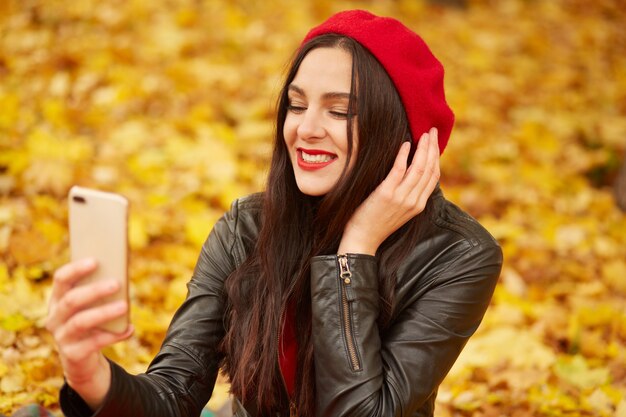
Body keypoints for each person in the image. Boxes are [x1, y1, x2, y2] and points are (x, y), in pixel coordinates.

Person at [46, 9, 503, 417]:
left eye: (339, 111)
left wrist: (355, 250)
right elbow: (174, 394)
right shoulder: (247, 227)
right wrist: (89, 376)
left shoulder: (458, 255)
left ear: (400, 134)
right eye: (297, 105)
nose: (305, 129)